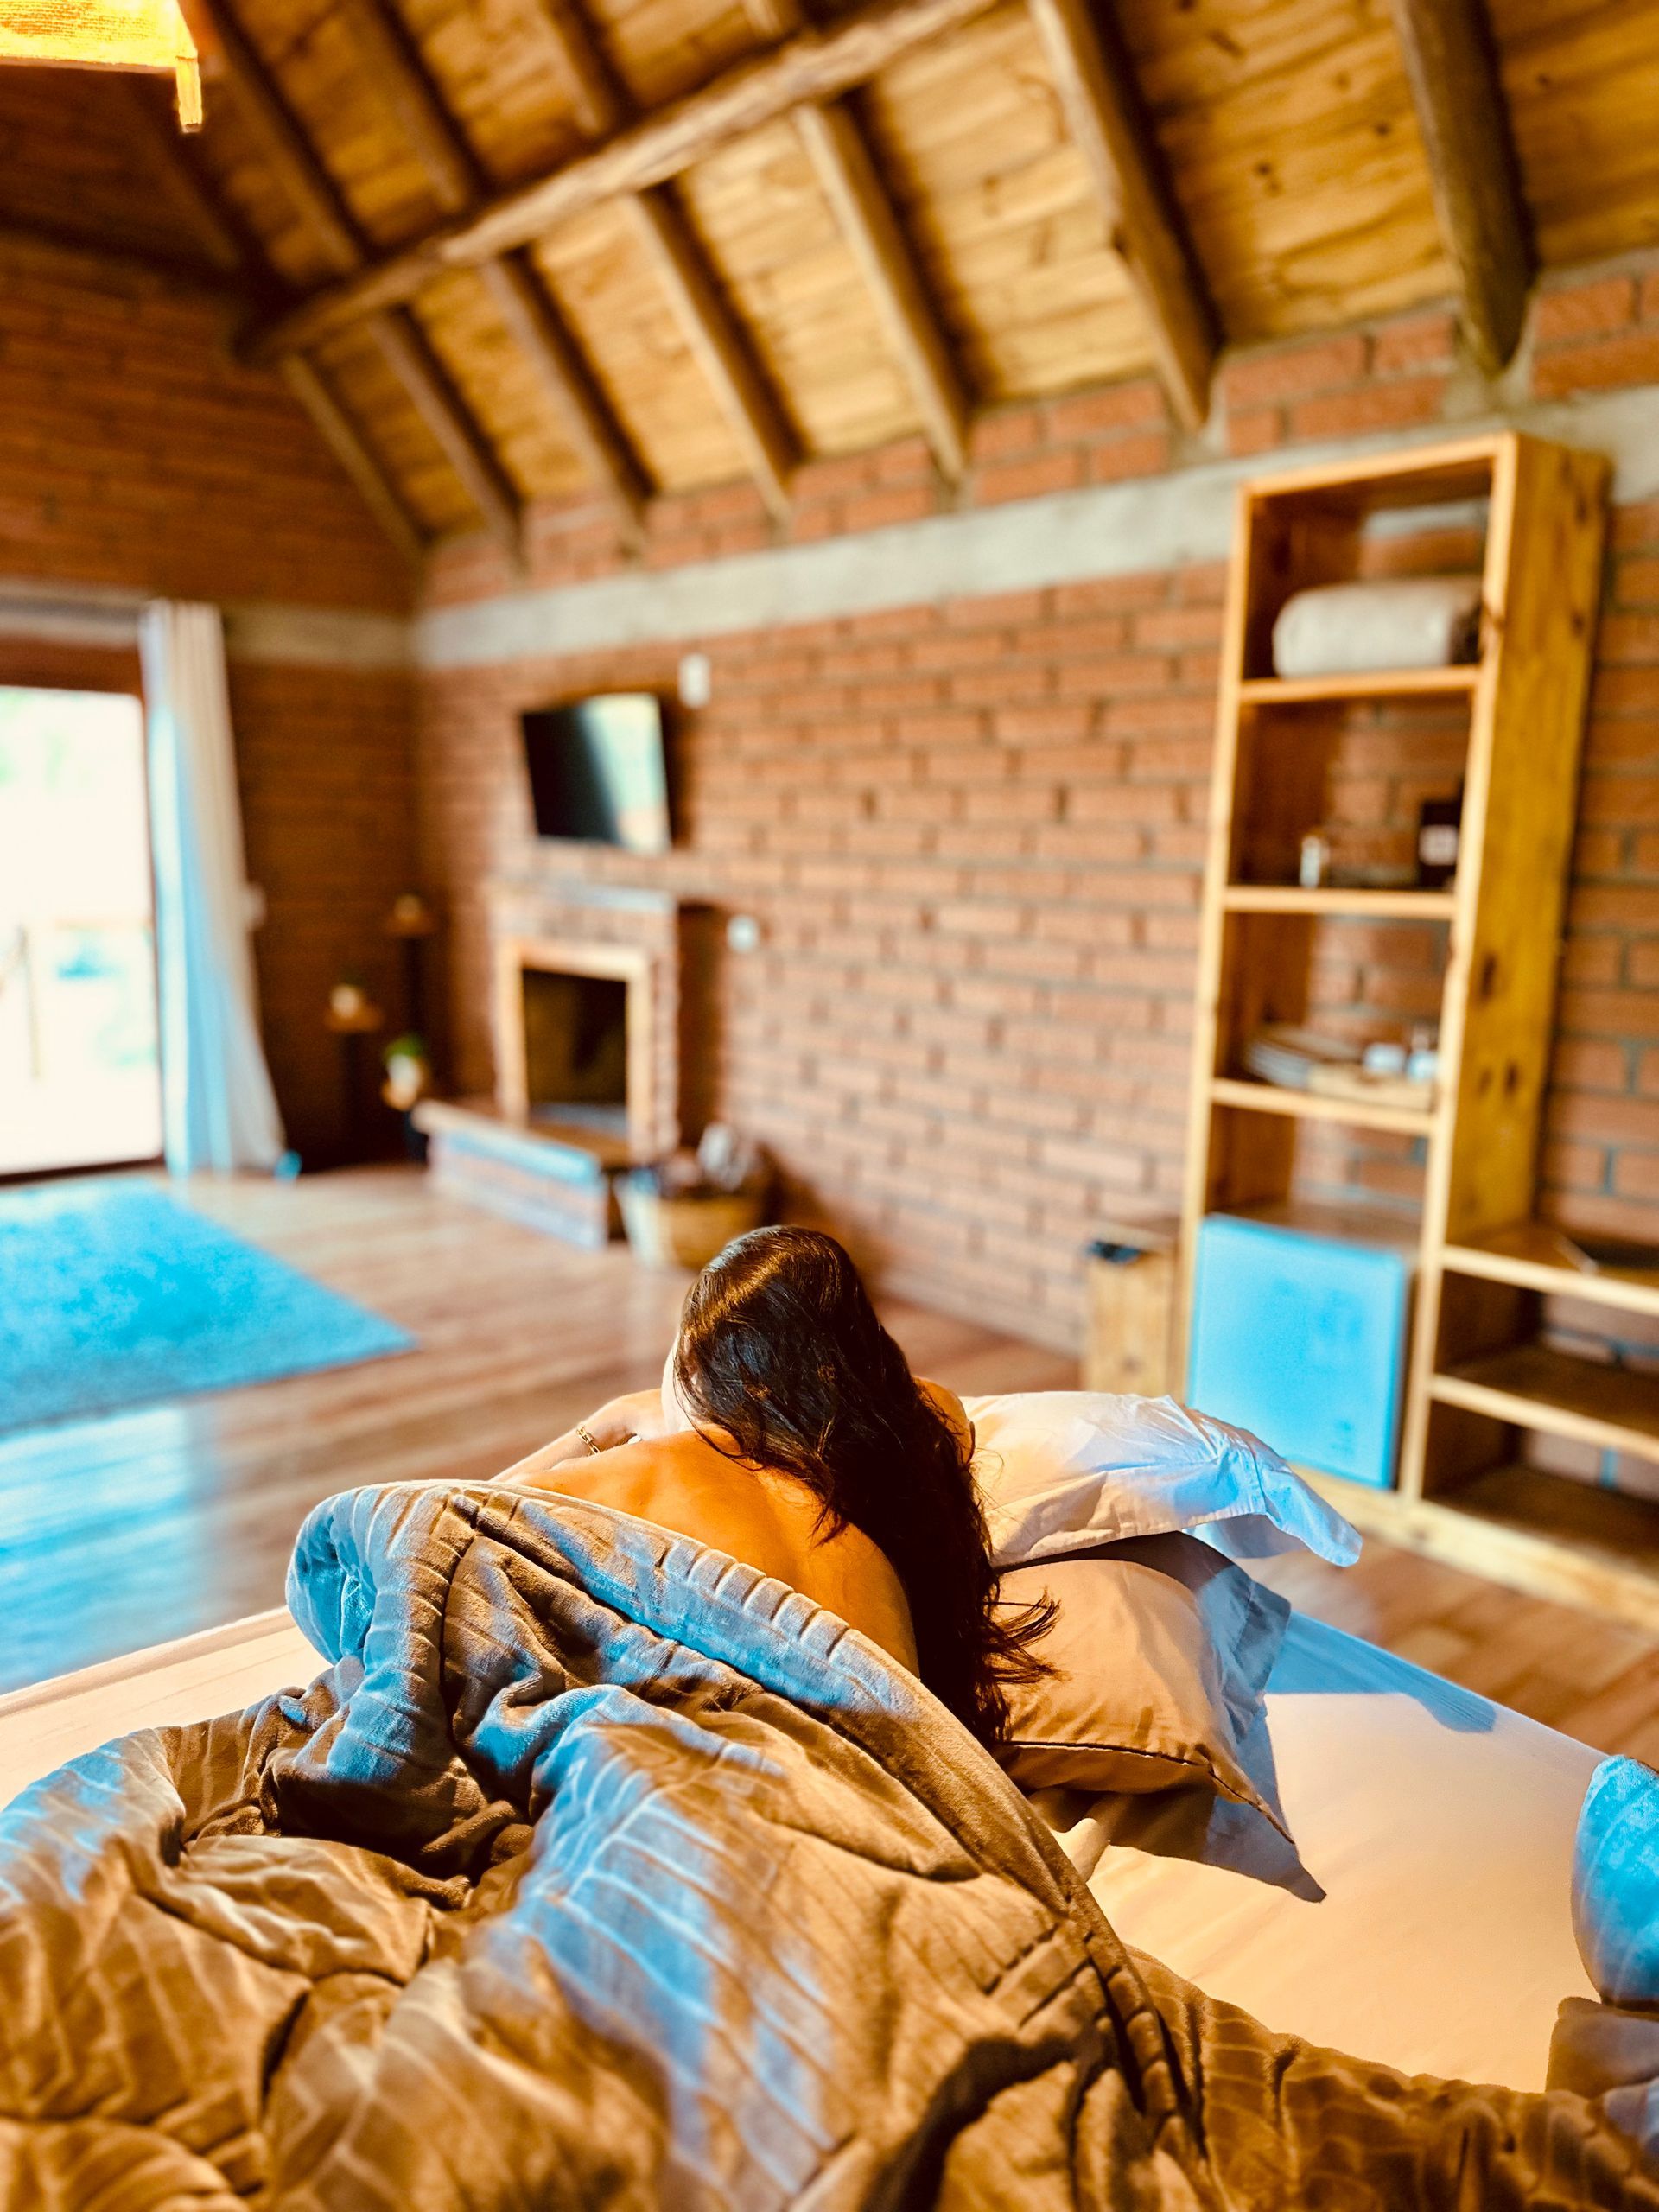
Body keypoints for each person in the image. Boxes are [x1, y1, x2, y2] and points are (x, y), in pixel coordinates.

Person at [503, 1225, 1052, 1751]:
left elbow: (477, 1507)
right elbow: (910, 1391)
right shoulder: (920, 1427)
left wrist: (609, 1421)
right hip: (921, 1768)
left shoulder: (652, 1469)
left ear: (692, 1364)